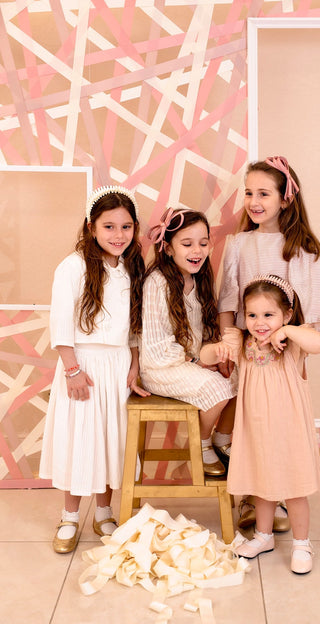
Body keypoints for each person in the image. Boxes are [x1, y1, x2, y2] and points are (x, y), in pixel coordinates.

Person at [218, 155, 320, 533]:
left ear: (285, 198)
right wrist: (229, 343)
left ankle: (282, 496)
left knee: (281, 426)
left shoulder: (301, 249)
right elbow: (228, 301)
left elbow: (310, 314)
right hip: (248, 352)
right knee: (253, 425)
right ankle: (254, 497)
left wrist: (295, 351)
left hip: (285, 354)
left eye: (264, 193)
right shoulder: (239, 244)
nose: (254, 201)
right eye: (249, 193)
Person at [39, 186, 150, 554]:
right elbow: (61, 324)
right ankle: (69, 517)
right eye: (109, 227)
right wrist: (72, 370)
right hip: (82, 364)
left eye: (126, 227)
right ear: (91, 227)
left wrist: (134, 365)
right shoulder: (73, 267)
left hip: (117, 365)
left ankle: (103, 512)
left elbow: (134, 326)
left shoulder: (132, 267)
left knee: (110, 440)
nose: (118, 235)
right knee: (80, 438)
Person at [200, 275, 320, 574]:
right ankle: (263, 536)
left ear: (287, 315)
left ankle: (301, 543)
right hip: (255, 430)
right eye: (252, 315)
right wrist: (218, 350)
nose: (260, 323)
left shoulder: (292, 344)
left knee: (294, 488)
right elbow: (204, 355)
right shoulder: (243, 342)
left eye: (269, 315)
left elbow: (318, 343)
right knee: (262, 485)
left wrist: (287, 331)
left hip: (289, 431)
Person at [139, 208, 236, 477]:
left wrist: (214, 358)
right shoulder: (157, 283)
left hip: (193, 363)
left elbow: (206, 332)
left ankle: (221, 438)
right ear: (169, 248)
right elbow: (156, 348)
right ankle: (201, 444)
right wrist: (197, 361)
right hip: (161, 368)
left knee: (240, 377)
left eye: (203, 243)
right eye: (187, 244)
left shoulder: (199, 279)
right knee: (217, 389)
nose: (197, 251)